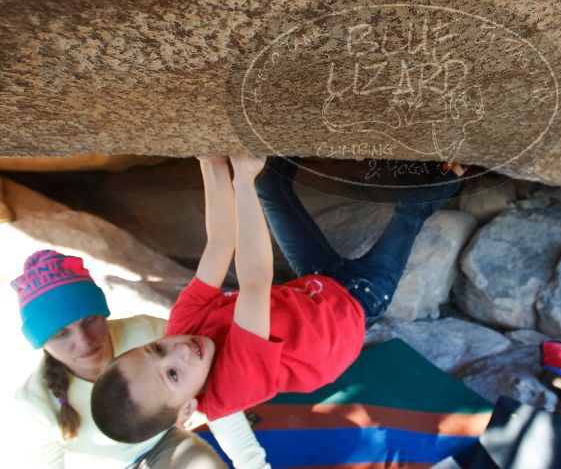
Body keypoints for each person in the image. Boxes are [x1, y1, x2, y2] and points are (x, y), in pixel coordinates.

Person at [90, 155, 464, 446]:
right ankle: (454, 172)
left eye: (156, 349)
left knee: (268, 185)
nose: (178, 351)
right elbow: (254, 280)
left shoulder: (183, 328)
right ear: (188, 410)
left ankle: (305, 119)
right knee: (409, 212)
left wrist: (210, 163)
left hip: (312, 285)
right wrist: (241, 181)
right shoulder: (232, 386)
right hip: (357, 304)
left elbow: (220, 245)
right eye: (173, 375)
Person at [12, 248, 270, 468]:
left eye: (90, 319)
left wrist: (254, 465)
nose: (83, 340)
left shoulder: (151, 337)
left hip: (163, 446)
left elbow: (218, 400)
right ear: (42, 345)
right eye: (60, 334)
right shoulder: (35, 403)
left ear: (104, 313)